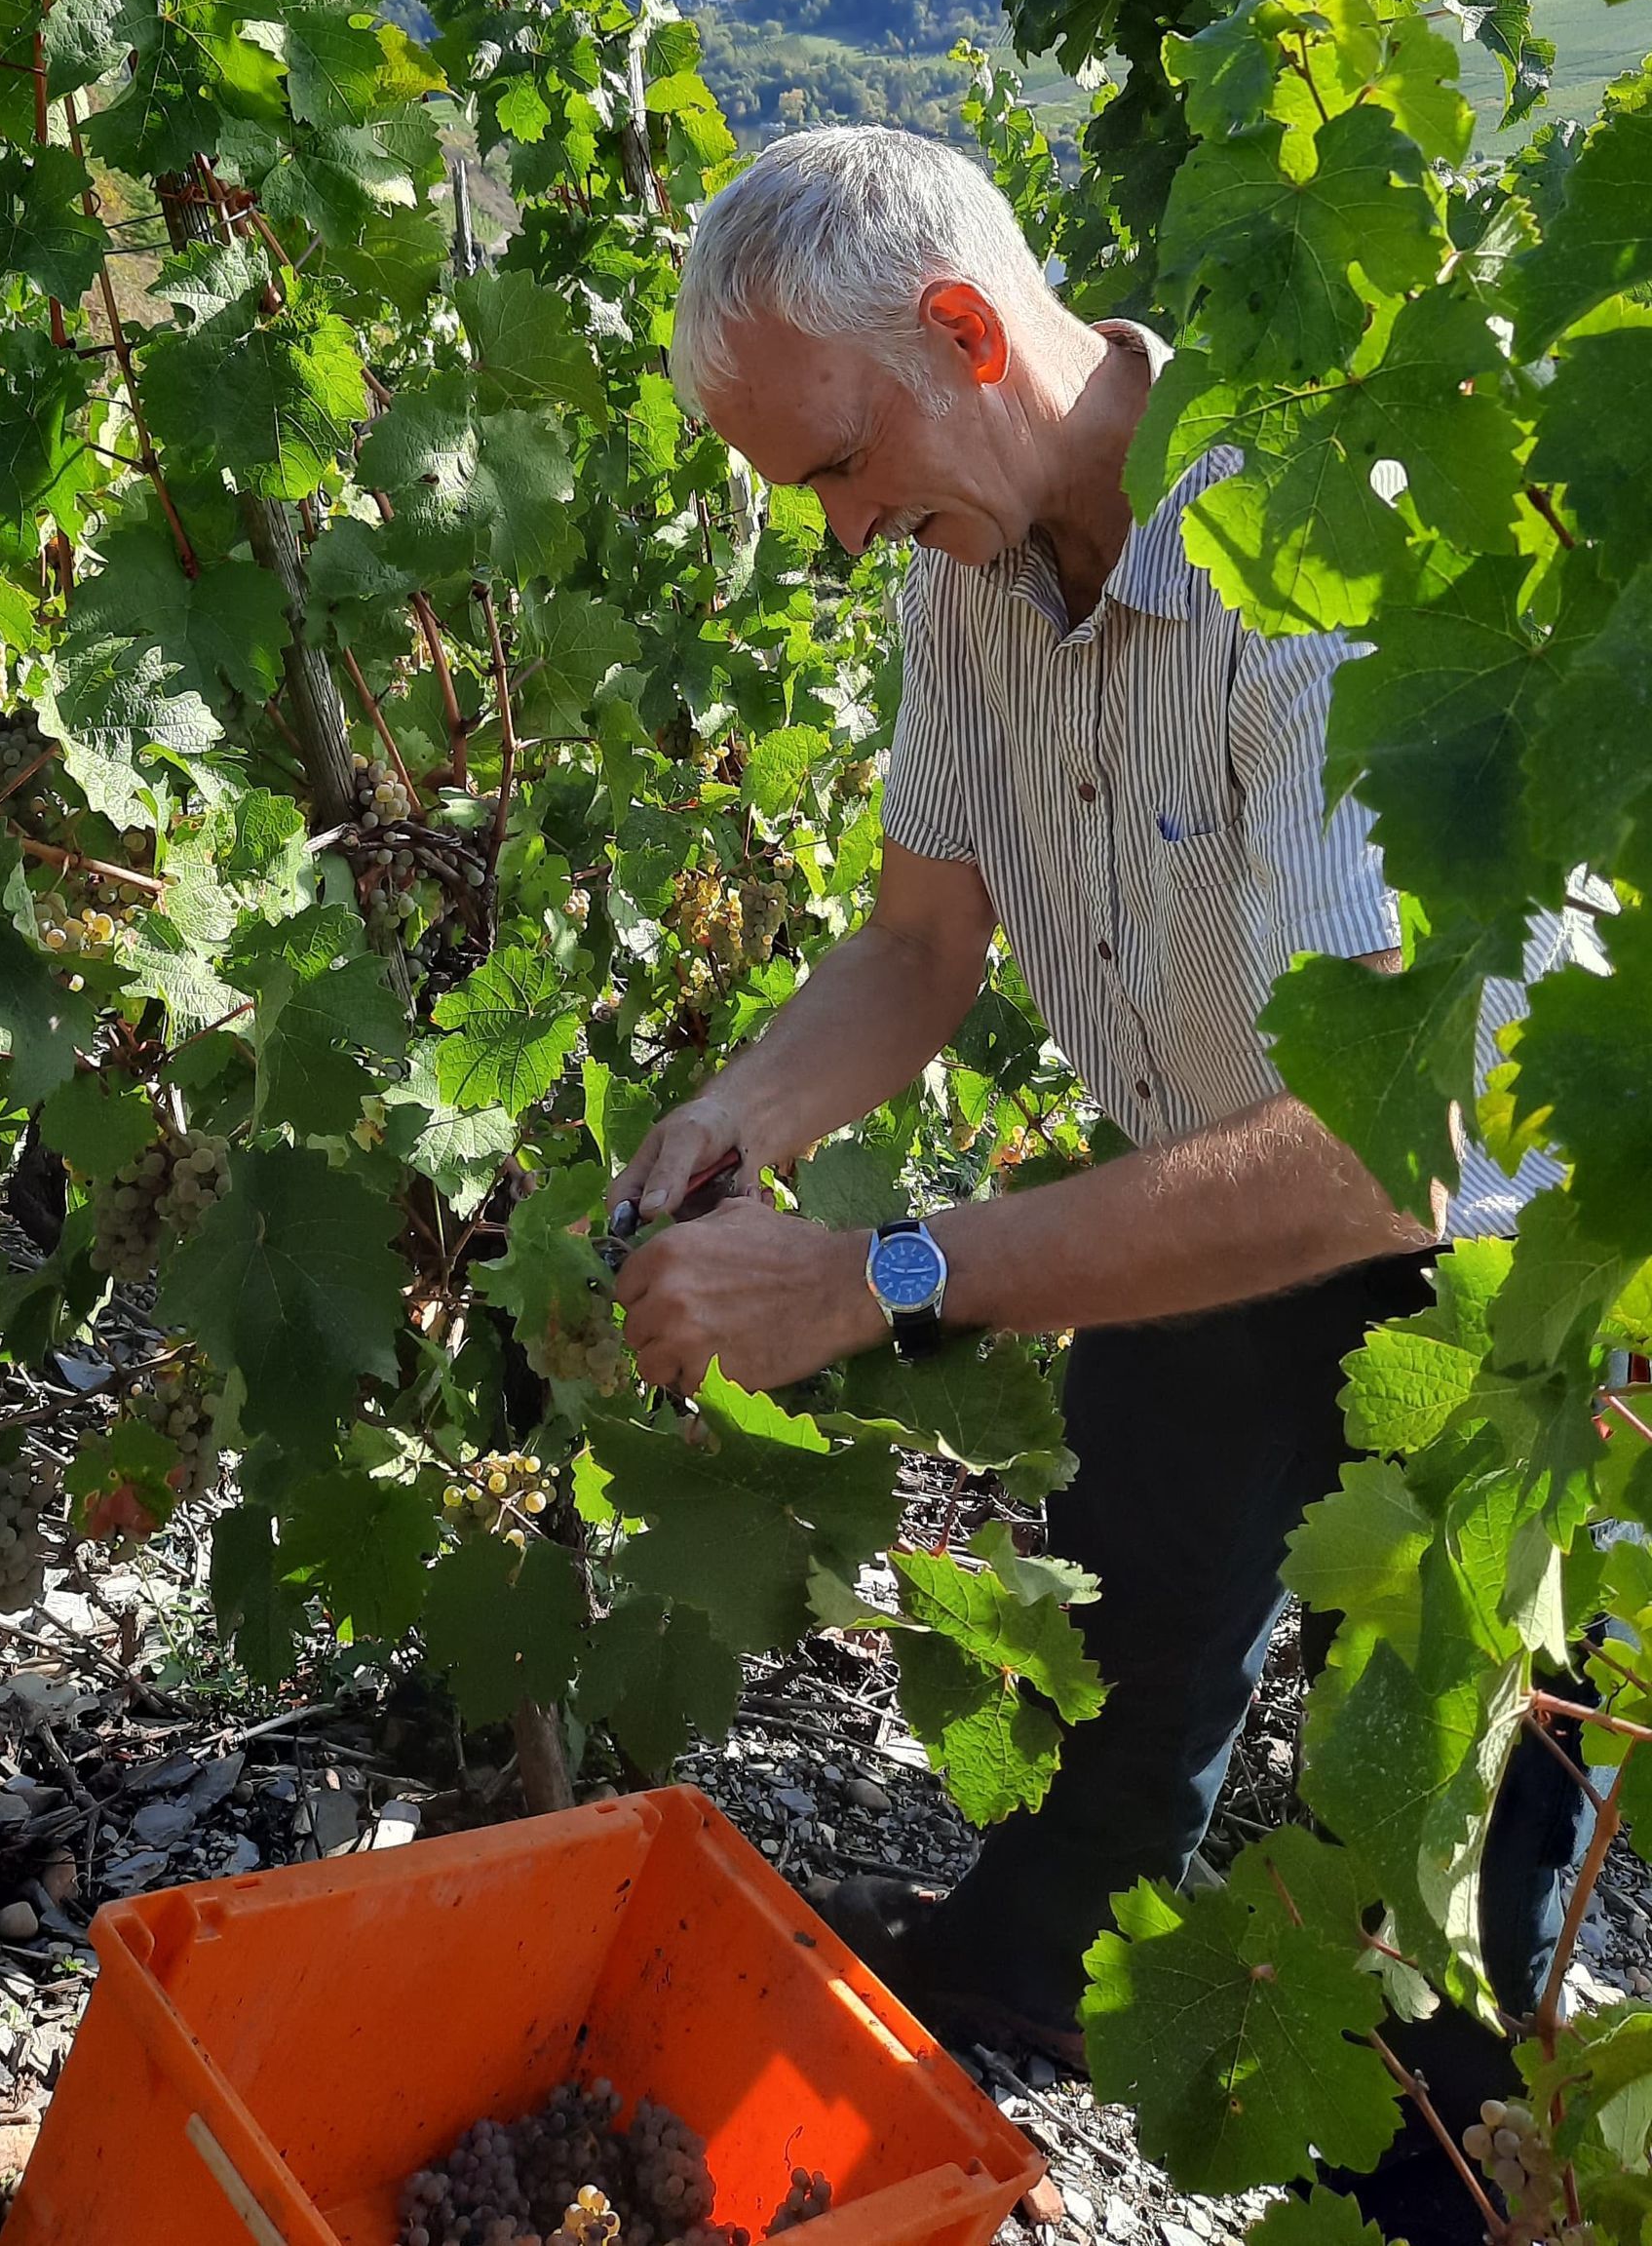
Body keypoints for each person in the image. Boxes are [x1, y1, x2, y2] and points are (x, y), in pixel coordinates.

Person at [610, 127, 1578, 2243]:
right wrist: (739, 1116)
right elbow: (917, 949)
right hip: (1199, 1181)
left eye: (845, 467)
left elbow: (1368, 1154)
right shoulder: (974, 569)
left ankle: (1458, 2176)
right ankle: (1019, 1990)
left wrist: (886, 1270)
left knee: (1439, 1803)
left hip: (1480, 1263)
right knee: (1132, 1626)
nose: (849, 533)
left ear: (967, 326)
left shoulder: (1296, 557)